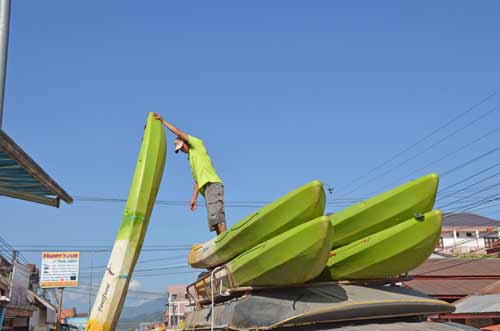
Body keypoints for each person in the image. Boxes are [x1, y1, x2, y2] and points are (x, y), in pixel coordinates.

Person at [153, 113, 227, 234]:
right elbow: (197, 181)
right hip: (206, 188)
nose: (182, 151)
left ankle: (224, 239)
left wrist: (163, 121)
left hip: (212, 184)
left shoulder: (197, 145)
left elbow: (178, 132)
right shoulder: (191, 160)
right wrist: (193, 199)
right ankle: (220, 240)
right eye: (180, 150)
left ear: (186, 143)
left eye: (182, 147)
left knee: (217, 215)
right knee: (213, 219)